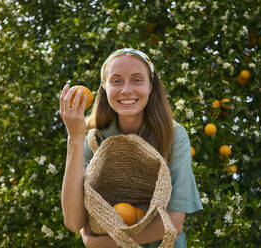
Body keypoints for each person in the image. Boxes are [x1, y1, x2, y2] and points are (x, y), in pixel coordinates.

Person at [59, 48, 203, 248]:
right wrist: (74, 138)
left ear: (151, 86)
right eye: (116, 80)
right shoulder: (91, 138)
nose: (126, 90)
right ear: (104, 86)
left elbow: (173, 223)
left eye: (137, 80)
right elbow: (74, 222)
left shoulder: (174, 135)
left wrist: (100, 243)